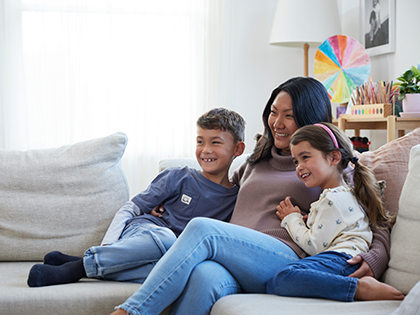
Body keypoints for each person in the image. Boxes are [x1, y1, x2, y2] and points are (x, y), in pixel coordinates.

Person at [109, 77, 390, 315]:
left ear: (309, 119)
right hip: (233, 258)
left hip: (282, 258)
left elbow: (373, 218)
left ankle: (130, 311)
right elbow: (218, 195)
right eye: (273, 112)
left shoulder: (323, 163)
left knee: (204, 229)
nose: (277, 123)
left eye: (289, 115)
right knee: (202, 275)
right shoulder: (255, 160)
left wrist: (374, 258)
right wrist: (169, 205)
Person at [27, 107, 246, 287]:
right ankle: (76, 269)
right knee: (167, 239)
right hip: (145, 233)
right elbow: (130, 209)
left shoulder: (236, 199)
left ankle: (80, 262)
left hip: (170, 257)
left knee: (181, 272)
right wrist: (108, 245)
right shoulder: (178, 177)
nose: (205, 150)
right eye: (200, 141)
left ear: (238, 149)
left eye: (215, 142)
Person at [266, 123, 404, 302]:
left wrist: (291, 219)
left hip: (342, 259)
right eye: (296, 161)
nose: (299, 167)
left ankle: (357, 288)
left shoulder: (332, 199)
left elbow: (314, 246)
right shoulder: (344, 194)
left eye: (305, 157)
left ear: (334, 157)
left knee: (282, 277)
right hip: (345, 258)